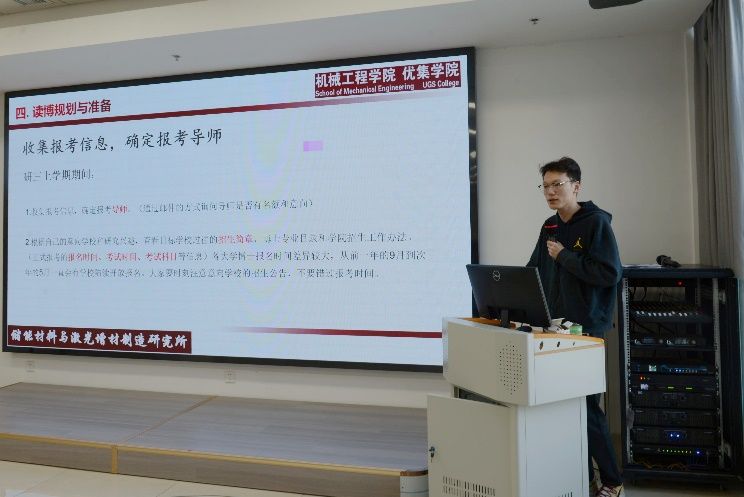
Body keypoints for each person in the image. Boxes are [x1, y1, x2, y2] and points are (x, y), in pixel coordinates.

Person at [527, 156, 624, 497]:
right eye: (545, 186)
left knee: (586, 408)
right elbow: (534, 269)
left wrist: (565, 256)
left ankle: (613, 482)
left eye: (558, 184)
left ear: (576, 186)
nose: (550, 192)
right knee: (562, 407)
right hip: (555, 327)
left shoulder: (596, 223)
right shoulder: (550, 226)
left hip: (586, 330)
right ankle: (582, 479)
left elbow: (610, 273)